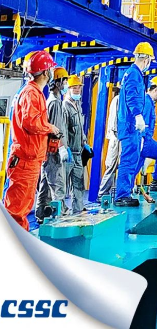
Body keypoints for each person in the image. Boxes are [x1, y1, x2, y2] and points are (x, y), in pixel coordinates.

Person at [4, 51, 60, 230]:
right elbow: (31, 122)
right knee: (16, 211)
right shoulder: (31, 93)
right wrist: (50, 128)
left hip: (29, 159)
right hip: (25, 161)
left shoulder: (34, 92)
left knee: (22, 208)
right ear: (45, 72)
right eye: (50, 69)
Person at [114, 42, 153, 208]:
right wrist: (138, 115)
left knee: (132, 159)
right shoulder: (134, 75)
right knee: (129, 160)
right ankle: (122, 195)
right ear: (146, 59)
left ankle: (126, 193)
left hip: (131, 126)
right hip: (130, 125)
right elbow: (132, 97)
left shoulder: (132, 73)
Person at [35, 66, 69, 223]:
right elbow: (55, 128)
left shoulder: (54, 101)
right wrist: (61, 147)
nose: (66, 84)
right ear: (57, 82)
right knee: (57, 186)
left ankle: (41, 214)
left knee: (45, 184)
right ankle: (59, 218)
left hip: (49, 151)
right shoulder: (54, 103)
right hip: (54, 151)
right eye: (65, 81)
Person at [63, 74, 91, 215]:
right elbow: (63, 129)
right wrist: (65, 148)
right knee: (63, 185)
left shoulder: (77, 105)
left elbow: (79, 127)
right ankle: (60, 211)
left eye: (79, 87)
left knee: (78, 183)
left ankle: (78, 209)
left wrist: (84, 142)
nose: (77, 90)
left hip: (78, 152)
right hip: (68, 153)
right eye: (74, 87)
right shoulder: (64, 107)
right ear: (68, 89)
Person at [137, 77, 157, 192]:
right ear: (156, 89)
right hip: (144, 140)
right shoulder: (147, 103)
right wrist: (144, 140)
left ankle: (125, 192)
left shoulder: (147, 102)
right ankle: (156, 182)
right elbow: (144, 124)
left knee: (135, 168)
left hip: (141, 140)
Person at [97, 87, 120, 200]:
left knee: (114, 166)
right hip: (117, 137)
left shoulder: (118, 99)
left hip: (117, 136)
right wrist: (117, 134)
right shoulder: (118, 99)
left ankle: (107, 193)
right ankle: (102, 194)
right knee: (111, 166)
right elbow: (115, 119)